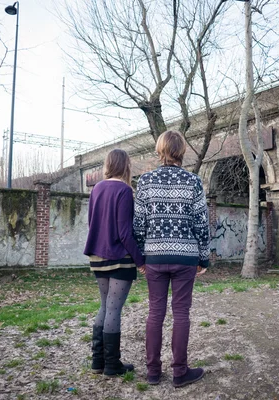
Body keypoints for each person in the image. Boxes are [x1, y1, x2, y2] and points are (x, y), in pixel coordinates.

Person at [133, 130, 210, 388]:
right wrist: (204, 257)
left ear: (160, 150)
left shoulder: (145, 181)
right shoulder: (193, 182)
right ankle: (179, 372)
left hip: (154, 257)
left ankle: (153, 372)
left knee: (155, 313)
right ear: (182, 151)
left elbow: (138, 224)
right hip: (185, 257)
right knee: (181, 313)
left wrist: (141, 258)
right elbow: (201, 222)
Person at [83, 149, 145, 377]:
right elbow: (125, 232)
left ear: (108, 165)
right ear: (126, 166)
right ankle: (112, 365)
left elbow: (92, 223)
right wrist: (140, 261)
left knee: (104, 306)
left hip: (97, 257)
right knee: (113, 309)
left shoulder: (97, 188)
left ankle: (97, 362)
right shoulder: (125, 191)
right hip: (119, 258)